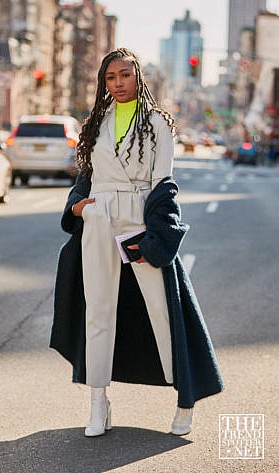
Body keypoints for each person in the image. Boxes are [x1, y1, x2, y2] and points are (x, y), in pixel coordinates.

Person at [50, 47, 223, 438]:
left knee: (163, 311)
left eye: (124, 75)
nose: (118, 83)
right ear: (104, 82)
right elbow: (84, 179)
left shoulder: (159, 124)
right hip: (97, 221)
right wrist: (77, 208)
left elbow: (164, 185)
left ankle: (185, 399)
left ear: (137, 76)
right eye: (110, 78)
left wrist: (156, 236)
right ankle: (98, 403)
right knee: (98, 312)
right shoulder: (95, 122)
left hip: (139, 220)